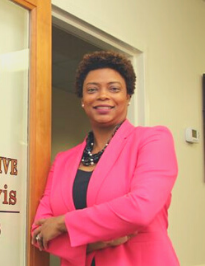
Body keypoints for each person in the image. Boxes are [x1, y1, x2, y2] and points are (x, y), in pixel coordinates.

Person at [31, 51, 179, 266]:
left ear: (128, 96)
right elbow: (39, 231)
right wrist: (97, 243)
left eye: (114, 88)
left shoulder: (152, 140)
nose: (102, 95)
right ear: (83, 100)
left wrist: (64, 223)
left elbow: (139, 209)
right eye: (92, 90)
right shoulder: (63, 161)